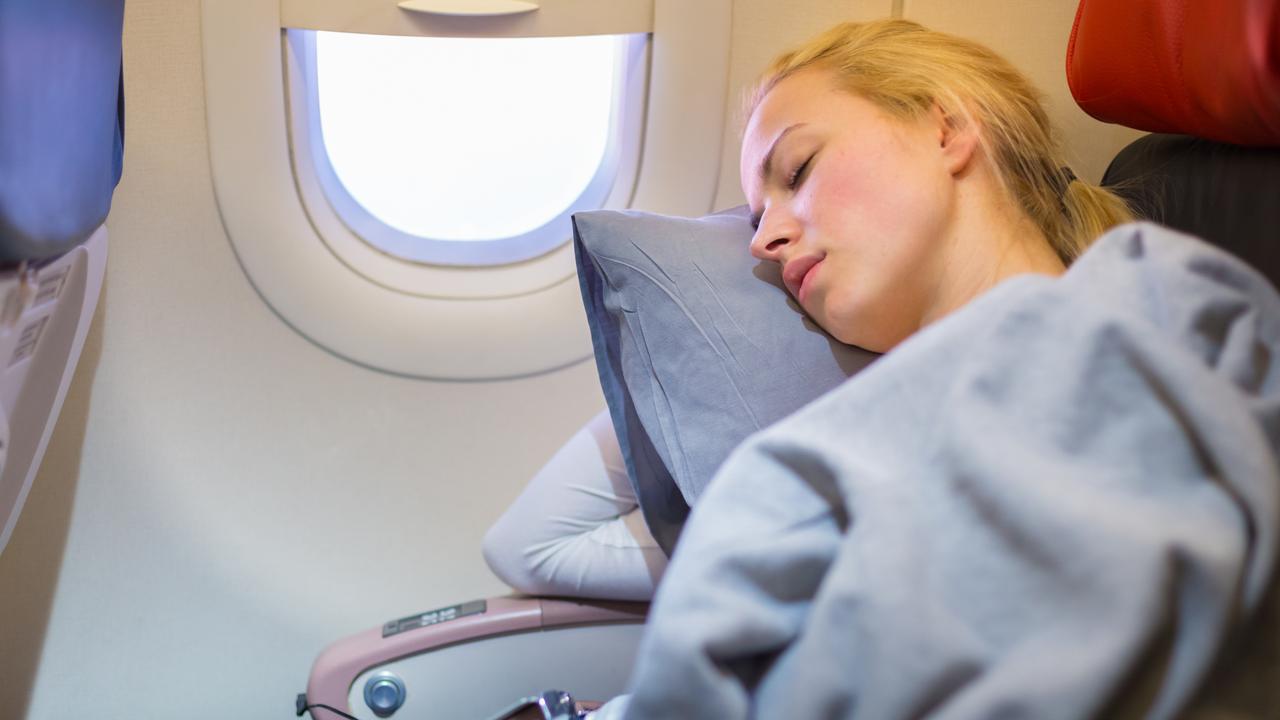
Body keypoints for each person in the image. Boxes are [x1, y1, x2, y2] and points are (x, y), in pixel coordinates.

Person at [590, 19, 1279, 720]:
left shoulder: (1151, 317)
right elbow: (535, 546)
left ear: (946, 129)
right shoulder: (858, 433)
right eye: (756, 219)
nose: (763, 241)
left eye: (797, 171)